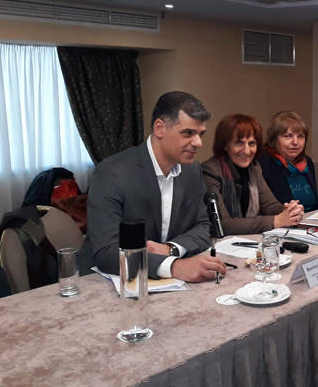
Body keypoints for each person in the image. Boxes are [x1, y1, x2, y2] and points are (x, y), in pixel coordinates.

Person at [81, 91, 226, 282]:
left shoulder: (192, 170)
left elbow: (204, 226)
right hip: (104, 282)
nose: (198, 143)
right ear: (160, 128)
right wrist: (174, 266)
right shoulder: (111, 173)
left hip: (165, 285)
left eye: (201, 134)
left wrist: (170, 249)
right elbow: (107, 252)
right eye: (188, 133)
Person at [202, 114, 305, 235]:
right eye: (239, 143)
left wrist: (290, 212)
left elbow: (270, 205)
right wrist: (276, 221)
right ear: (225, 145)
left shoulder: (254, 167)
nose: (247, 151)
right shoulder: (210, 170)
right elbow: (222, 224)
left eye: (251, 143)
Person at [258, 111, 318, 212]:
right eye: (288, 136)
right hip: (284, 219)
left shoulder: (307, 162)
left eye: (300, 136)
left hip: (313, 217)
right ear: (273, 139)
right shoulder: (264, 163)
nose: (295, 142)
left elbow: (317, 204)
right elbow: (269, 208)